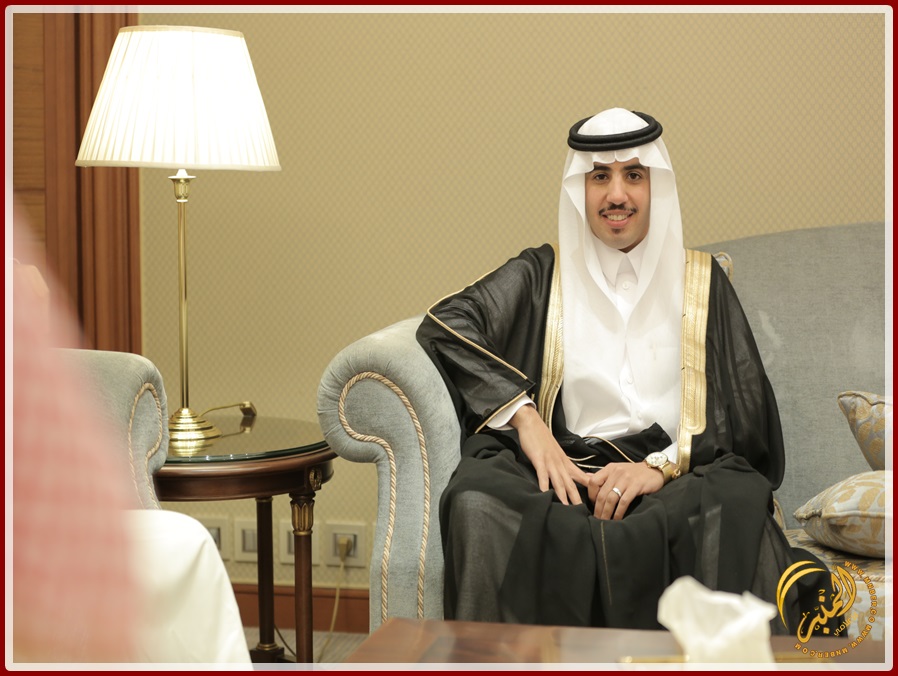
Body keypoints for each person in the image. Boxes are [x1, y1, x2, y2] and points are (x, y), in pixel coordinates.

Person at [416, 107, 831, 633]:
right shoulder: (543, 274)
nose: (616, 195)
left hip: (674, 477)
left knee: (735, 501)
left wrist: (660, 467)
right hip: (564, 474)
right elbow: (445, 323)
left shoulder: (701, 281)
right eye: (599, 177)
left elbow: (747, 421)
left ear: (656, 185)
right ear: (579, 189)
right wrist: (527, 421)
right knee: (475, 500)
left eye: (633, 175)